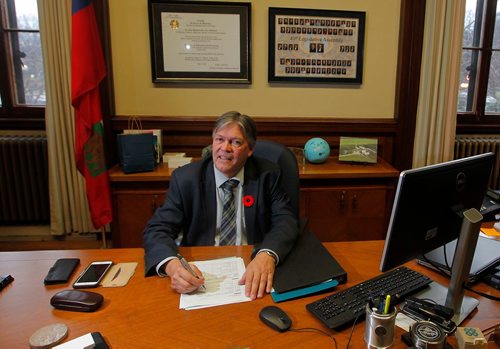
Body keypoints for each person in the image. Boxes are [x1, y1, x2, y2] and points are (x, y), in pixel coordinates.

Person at [143, 111, 299, 300]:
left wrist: (266, 255)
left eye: (236, 142)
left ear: (250, 149)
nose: (225, 148)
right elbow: (157, 229)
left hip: (252, 268)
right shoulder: (186, 179)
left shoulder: (268, 175)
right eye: (219, 139)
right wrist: (173, 266)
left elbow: (286, 221)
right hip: (202, 273)